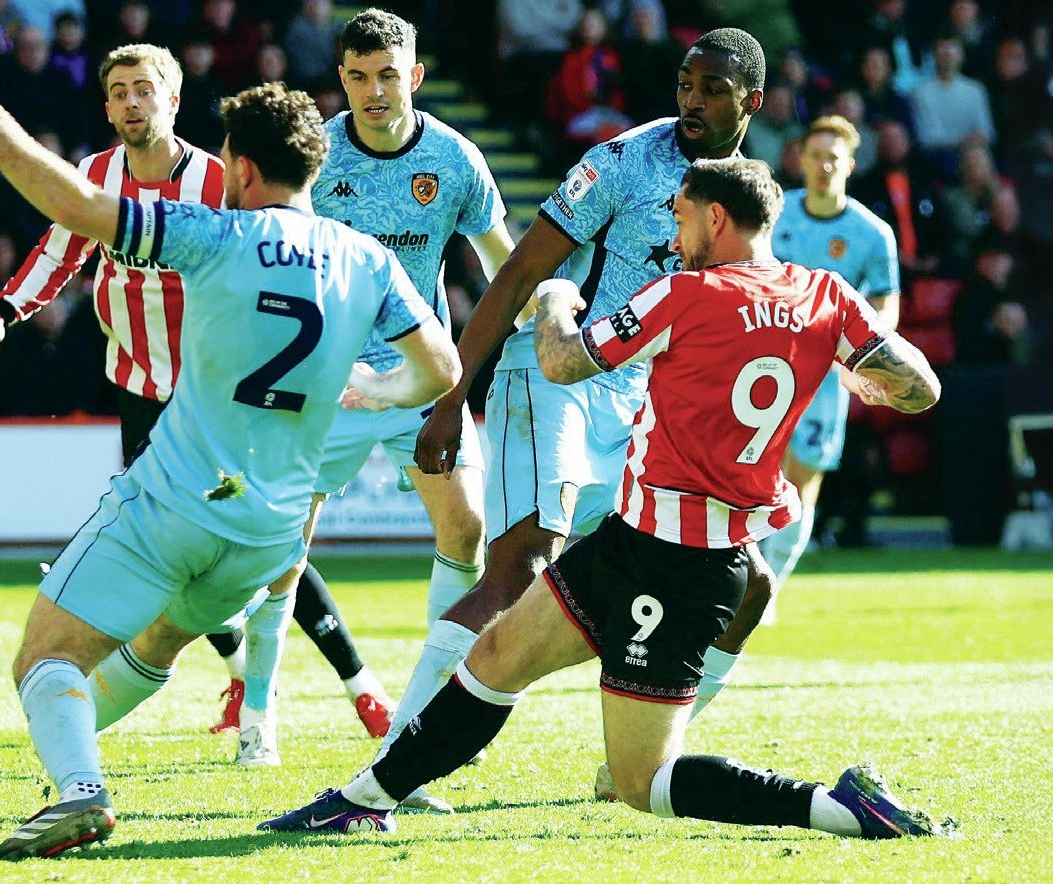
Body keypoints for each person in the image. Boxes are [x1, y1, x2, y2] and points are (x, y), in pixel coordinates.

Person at [260, 157, 945, 839]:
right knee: (496, 658)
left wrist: (555, 301)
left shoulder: (685, 294)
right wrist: (865, 377)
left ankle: (840, 808)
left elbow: (561, 362)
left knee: (640, 782)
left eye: (681, 219)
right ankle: (363, 799)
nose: (674, 238)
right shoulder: (824, 295)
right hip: (636, 539)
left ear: (715, 218)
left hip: (680, 566)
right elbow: (920, 388)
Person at [0, 31, 460, 858]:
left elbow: (73, 206)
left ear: (239, 168)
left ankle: (79, 787)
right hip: (269, 533)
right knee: (159, 640)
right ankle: (76, 764)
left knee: (45, 660)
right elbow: (442, 368)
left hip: (176, 502)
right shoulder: (366, 260)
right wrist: (377, 389)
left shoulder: (211, 234)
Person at [84, 8, 515, 780]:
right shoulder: (316, 154)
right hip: (326, 385)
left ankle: (427, 719)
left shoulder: (455, 159)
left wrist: (536, 319)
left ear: (415, 77)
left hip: (417, 377)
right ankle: (258, 718)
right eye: (357, 77)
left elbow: (501, 263)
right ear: (340, 79)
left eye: (387, 76)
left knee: (466, 529)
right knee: (281, 559)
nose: (373, 91)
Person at [0, 41, 386, 749]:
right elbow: (59, 251)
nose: (132, 102)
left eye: (144, 89)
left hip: (216, 399)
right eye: (119, 91)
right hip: (140, 390)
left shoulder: (219, 183)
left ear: (173, 100)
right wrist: (3, 312)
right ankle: (245, 679)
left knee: (267, 542)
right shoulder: (96, 177)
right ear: (107, 108)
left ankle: (357, 685)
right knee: (188, 553)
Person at [383, 27, 765, 816]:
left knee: (748, 584)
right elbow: (522, 269)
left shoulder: (750, 194)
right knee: (520, 566)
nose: (691, 100)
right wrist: (451, 395)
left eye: (712, 89)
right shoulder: (623, 161)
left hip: (647, 409)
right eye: (685, 83)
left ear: (751, 102)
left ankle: (643, 759)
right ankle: (397, 765)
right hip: (559, 376)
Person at [754, 115, 899, 620]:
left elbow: (886, 307)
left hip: (826, 378)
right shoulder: (773, 215)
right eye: (815, 156)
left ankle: (768, 588)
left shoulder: (872, 233)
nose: (823, 166)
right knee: (750, 479)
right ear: (801, 159)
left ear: (850, 165)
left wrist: (862, 359)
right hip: (762, 367)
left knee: (801, 485)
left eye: (833, 158)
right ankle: (743, 582)